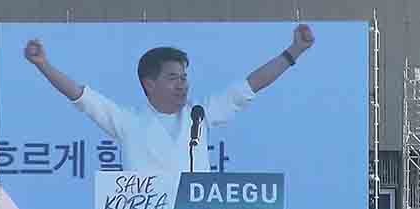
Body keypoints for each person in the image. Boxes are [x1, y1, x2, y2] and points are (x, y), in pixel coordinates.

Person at [23, 25, 315, 174]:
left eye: (184, 77)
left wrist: (294, 52)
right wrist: (43, 64)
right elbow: (82, 96)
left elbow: (250, 85)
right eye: (173, 77)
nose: (182, 84)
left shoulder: (199, 115)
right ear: (149, 84)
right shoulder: (128, 121)